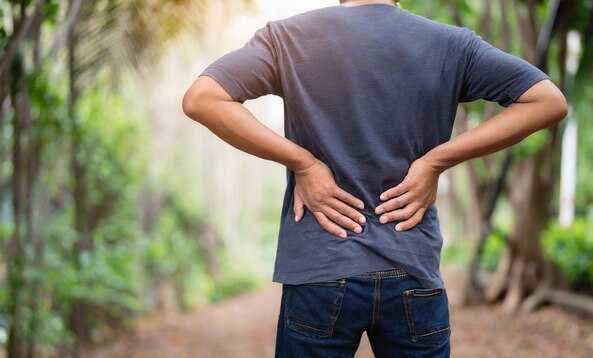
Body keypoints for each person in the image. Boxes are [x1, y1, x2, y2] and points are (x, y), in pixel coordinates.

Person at [182, 0, 568, 356]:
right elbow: (546, 101)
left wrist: (304, 163)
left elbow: (203, 98)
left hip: (322, 263)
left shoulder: (288, 38)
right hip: (412, 265)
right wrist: (436, 161)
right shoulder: (450, 44)